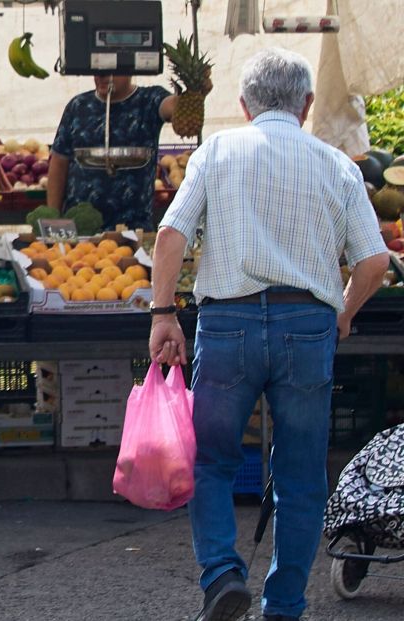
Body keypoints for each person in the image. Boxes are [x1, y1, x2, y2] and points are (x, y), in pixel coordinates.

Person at [148, 48, 389, 621]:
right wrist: (345, 313)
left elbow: (169, 239)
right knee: (302, 477)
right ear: (306, 105)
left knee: (211, 462)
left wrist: (162, 315)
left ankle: (222, 575)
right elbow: (375, 262)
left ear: (243, 105)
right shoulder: (338, 165)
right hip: (306, 326)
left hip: (227, 324)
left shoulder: (217, 151)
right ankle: (283, 606)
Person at [47, 75, 178, 230]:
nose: (103, 76)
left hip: (133, 228)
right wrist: (53, 219)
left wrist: (195, 93)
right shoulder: (78, 106)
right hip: (79, 231)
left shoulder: (149, 100)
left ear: (129, 69)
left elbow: (172, 108)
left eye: (112, 70)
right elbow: (59, 162)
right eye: (98, 70)